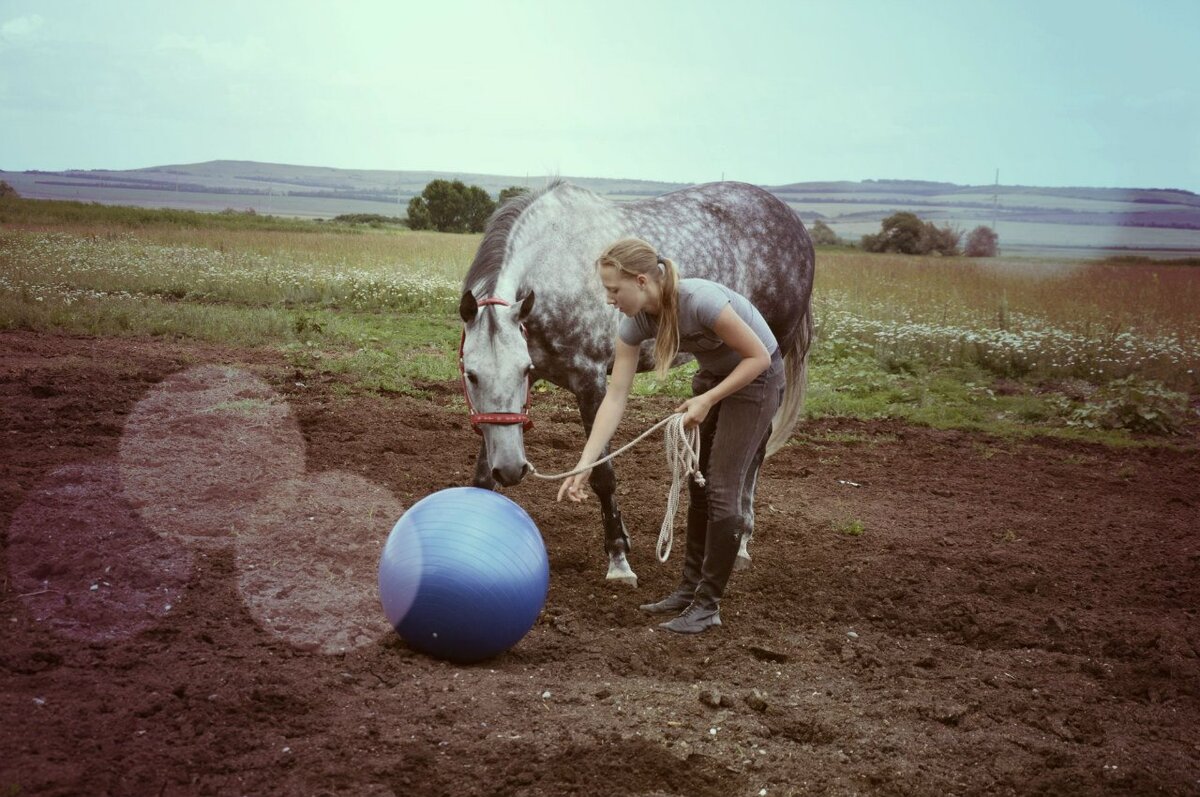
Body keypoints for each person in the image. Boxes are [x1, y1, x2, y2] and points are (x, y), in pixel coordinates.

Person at [557, 238, 784, 634]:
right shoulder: (636, 322)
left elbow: (759, 357)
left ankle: (707, 607)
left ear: (641, 281)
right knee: (698, 484)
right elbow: (615, 396)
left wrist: (707, 400)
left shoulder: (700, 300)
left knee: (722, 489)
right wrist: (586, 462)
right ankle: (690, 590)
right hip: (716, 377)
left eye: (614, 290)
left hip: (757, 380)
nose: (609, 299)